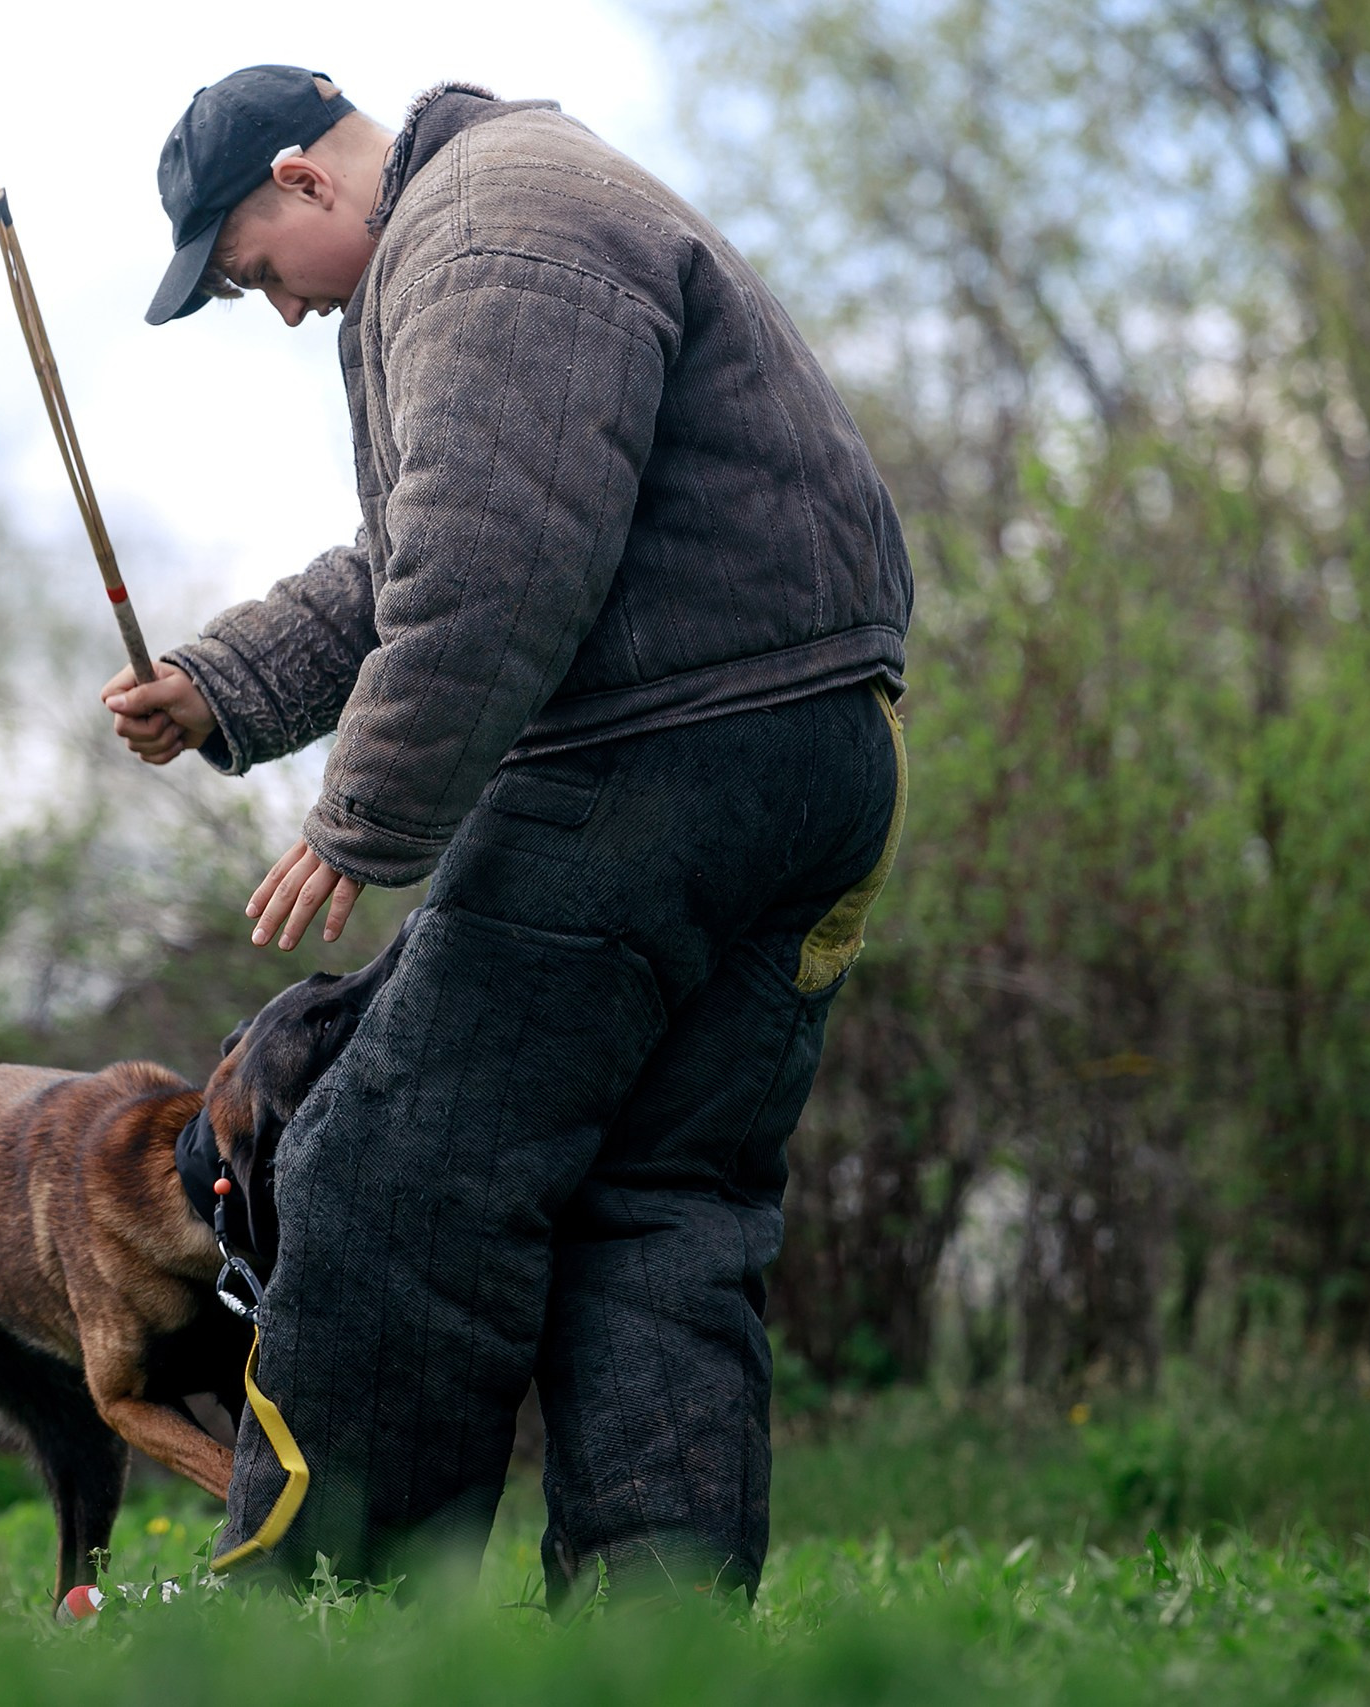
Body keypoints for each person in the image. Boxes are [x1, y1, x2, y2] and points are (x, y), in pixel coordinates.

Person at [102, 65, 913, 1601]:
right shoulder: (526, 205)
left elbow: (490, 562)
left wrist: (365, 817)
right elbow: (431, 541)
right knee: (662, 1203)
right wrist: (219, 688)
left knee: (391, 1179)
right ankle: (650, 1635)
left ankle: (326, 1620)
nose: (280, 315)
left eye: (259, 275)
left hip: (664, 754)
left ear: (307, 180)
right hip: (820, 758)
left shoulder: (481, 240)